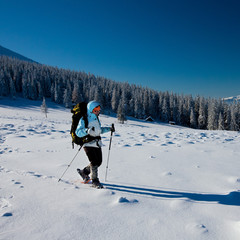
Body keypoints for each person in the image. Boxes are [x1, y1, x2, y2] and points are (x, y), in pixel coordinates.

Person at [75, 100, 115, 188]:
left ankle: (84, 172)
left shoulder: (97, 119)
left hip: (96, 143)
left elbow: (99, 131)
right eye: (95, 110)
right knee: (94, 161)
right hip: (88, 143)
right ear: (90, 109)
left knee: (99, 162)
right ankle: (95, 181)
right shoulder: (84, 119)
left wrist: (108, 129)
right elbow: (78, 132)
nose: (97, 111)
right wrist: (86, 131)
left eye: (98, 110)